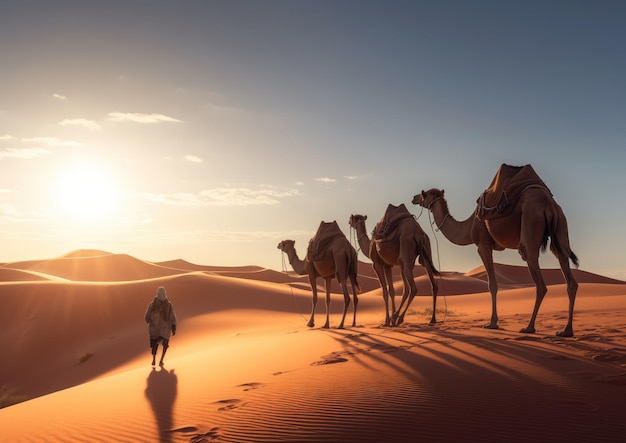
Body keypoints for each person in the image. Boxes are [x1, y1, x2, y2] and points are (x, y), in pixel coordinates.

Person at [145, 286, 178, 366]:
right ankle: (161, 360)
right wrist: (174, 326)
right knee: (165, 345)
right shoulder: (169, 305)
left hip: (154, 329)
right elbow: (172, 316)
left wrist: (150, 322)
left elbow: (146, 316)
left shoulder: (152, 304)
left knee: (154, 345)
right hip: (165, 329)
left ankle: (154, 360)